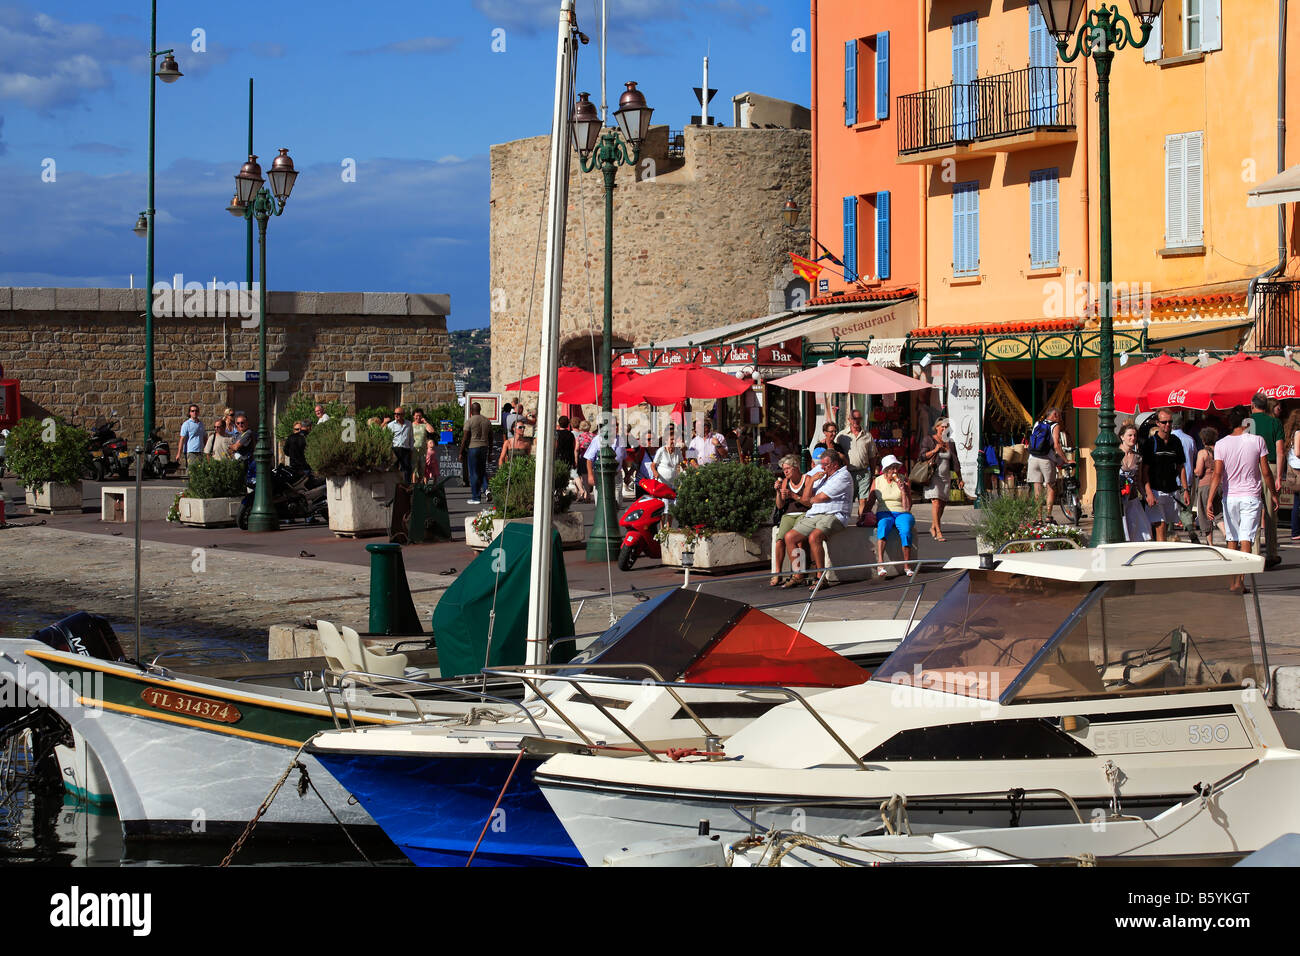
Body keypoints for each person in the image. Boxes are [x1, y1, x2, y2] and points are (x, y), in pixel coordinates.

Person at [1207, 404, 1276, 592]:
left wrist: (1209, 500)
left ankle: (1232, 582)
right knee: (1246, 539)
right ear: (1246, 421)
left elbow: (1217, 474)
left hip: (1230, 498)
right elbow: (1266, 472)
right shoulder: (1257, 441)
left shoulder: (1221, 444)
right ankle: (1241, 582)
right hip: (1251, 496)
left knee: (1232, 540)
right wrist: (1274, 494)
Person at [782, 448, 854, 589]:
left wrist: (811, 499)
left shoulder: (843, 475)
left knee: (815, 537)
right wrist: (812, 481)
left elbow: (821, 497)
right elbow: (805, 498)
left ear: (834, 465)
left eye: (825, 464)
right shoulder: (821, 476)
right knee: (790, 537)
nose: (822, 467)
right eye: (821, 464)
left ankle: (821, 577)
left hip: (834, 514)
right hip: (815, 514)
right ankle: (798, 575)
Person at [1140, 407, 1189, 543]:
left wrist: (1185, 489)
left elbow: (1181, 466)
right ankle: (1160, 554)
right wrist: (1148, 492)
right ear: (1157, 423)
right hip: (1156, 490)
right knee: (1160, 525)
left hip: (1172, 490)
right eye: (1164, 422)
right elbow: (1145, 470)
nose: (1167, 425)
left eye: (1170, 422)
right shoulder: (1151, 443)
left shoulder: (1176, 441)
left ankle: (1160, 549)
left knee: (1166, 525)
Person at [864, 455, 916, 577]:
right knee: (883, 525)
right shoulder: (877, 481)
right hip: (884, 511)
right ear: (886, 469)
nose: (895, 471)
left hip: (901, 512)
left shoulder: (903, 480)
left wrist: (903, 491)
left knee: (906, 530)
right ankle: (880, 564)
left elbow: (907, 507)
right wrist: (863, 514)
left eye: (896, 467)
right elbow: (871, 501)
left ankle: (907, 565)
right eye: (892, 468)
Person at [1250, 391, 1285, 568]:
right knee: (1271, 512)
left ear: (1252, 405)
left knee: (1253, 511)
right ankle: (1271, 553)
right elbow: (1280, 451)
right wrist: (1279, 476)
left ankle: (1255, 553)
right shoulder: (1275, 422)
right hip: (1270, 467)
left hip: (1251, 468)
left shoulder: (1246, 423)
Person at [770, 454, 811, 587]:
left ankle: (798, 573)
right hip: (788, 514)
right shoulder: (785, 482)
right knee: (779, 540)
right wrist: (778, 492)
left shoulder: (807, 479)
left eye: (788, 468)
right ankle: (777, 573)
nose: (785, 471)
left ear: (796, 467)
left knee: (797, 540)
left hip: (803, 513)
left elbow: (809, 503)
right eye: (783, 469)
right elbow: (780, 505)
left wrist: (793, 495)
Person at [836, 410, 878, 523]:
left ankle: (861, 519)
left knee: (863, 499)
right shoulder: (842, 435)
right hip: (848, 473)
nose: (856, 421)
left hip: (864, 471)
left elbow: (872, 457)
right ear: (849, 419)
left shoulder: (867, 436)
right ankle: (843, 520)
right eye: (854, 418)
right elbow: (835, 453)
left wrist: (873, 474)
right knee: (848, 498)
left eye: (858, 418)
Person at [918, 417, 956, 541]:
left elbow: (955, 460)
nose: (944, 429)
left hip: (945, 477)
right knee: (936, 502)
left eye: (946, 427)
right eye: (942, 427)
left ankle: (934, 526)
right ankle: (939, 531)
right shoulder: (929, 440)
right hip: (933, 475)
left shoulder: (950, 442)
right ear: (937, 427)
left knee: (942, 504)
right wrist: (934, 450)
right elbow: (922, 456)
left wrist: (960, 477)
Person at [1118, 423, 1152, 543]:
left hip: (1132, 500)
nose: (1133, 438)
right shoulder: (1115, 454)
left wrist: (1145, 495)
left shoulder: (1138, 458)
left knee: (1140, 533)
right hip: (1119, 502)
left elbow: (1139, 480)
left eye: (1135, 435)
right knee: (1123, 534)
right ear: (1122, 437)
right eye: (1130, 435)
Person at [1026, 406, 1064, 513]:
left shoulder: (1037, 424)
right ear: (1054, 415)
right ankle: (1048, 516)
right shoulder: (1055, 426)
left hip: (1033, 458)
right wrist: (1065, 459)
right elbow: (1056, 446)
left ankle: (1038, 517)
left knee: (1037, 489)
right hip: (1046, 460)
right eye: (1059, 416)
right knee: (1050, 487)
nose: (1060, 418)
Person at [1171, 412, 1199, 542]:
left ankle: (1169, 534)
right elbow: (1193, 457)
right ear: (1182, 424)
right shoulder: (1190, 439)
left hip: (1171, 480)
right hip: (1187, 480)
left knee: (1170, 508)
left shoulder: (1168, 438)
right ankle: (1190, 531)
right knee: (1185, 510)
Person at [461, 401, 492, 505]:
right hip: (484, 447)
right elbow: (491, 438)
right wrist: (490, 452)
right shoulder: (487, 421)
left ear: (471, 410)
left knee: (474, 473)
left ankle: (476, 497)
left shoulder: (469, 421)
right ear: (480, 409)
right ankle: (486, 488)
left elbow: (465, 438)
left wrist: (461, 452)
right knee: (482, 470)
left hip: (473, 447)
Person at [1194, 426, 1220, 546]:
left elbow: (1199, 471)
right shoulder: (1219, 451)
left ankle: (1210, 542)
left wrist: (1193, 471)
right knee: (1219, 514)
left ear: (1203, 440)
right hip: (1218, 484)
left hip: (1205, 485)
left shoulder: (1203, 453)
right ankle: (1226, 533)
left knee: (1205, 514)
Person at [178, 404, 205, 474]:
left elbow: (204, 437)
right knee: (191, 472)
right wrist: (179, 453)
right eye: (192, 411)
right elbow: (182, 439)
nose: (194, 412)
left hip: (200, 451)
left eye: (196, 411)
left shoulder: (201, 424)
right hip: (191, 451)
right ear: (189, 413)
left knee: (200, 472)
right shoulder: (186, 424)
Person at [387, 406, 414, 478]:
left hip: (405, 449)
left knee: (407, 469)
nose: (396, 415)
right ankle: (394, 486)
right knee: (394, 469)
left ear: (403, 415)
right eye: (395, 413)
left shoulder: (409, 424)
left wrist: (411, 449)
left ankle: (407, 486)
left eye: (398, 414)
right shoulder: (390, 425)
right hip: (395, 449)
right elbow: (388, 439)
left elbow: (411, 437)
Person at [1286, 408, 1300, 543]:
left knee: (1297, 501)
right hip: (1298, 470)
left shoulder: (1290, 433)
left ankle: (1295, 531)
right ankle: (1296, 531)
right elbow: (1298, 452)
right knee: (1297, 502)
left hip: (1292, 470)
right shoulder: (1298, 433)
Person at [410, 409, 432, 481]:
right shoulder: (411, 425)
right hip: (413, 449)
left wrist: (425, 422)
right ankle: (414, 485)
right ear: (413, 416)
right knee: (414, 468)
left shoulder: (424, 425)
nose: (418, 417)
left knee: (422, 469)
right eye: (416, 416)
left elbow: (431, 431)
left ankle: (420, 485)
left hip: (423, 450)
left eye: (420, 416)